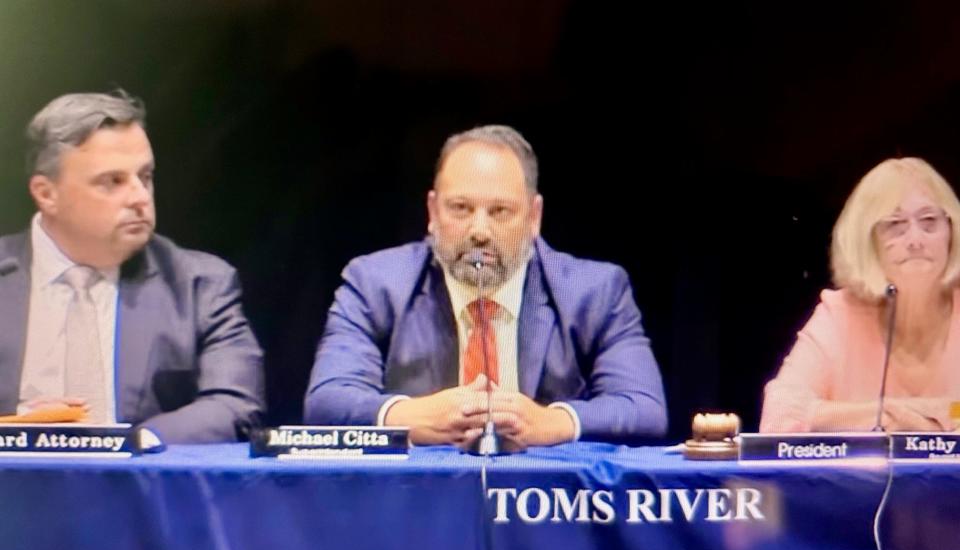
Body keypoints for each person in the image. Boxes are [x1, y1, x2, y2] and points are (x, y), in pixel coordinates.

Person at [305, 125, 666, 447]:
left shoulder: (593, 291)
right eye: (461, 208)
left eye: (500, 212)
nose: (479, 231)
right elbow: (326, 400)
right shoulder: (376, 283)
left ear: (533, 217)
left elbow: (643, 406)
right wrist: (409, 417)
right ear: (432, 212)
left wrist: (553, 422)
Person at [0, 90, 265, 442]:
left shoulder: (198, 285)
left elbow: (235, 405)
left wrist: (128, 444)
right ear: (47, 194)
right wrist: (16, 431)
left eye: (146, 176)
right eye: (113, 182)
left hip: (140, 489)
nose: (140, 197)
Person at [761, 157, 960, 432]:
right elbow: (778, 415)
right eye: (895, 224)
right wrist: (885, 413)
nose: (915, 240)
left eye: (929, 221)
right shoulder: (840, 316)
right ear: (868, 242)